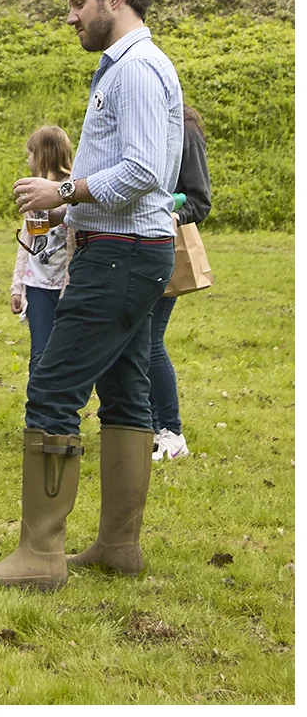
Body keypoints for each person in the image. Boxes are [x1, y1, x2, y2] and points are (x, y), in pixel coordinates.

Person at [0, 0, 182, 591]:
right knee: (126, 391)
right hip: (131, 249)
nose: (71, 17)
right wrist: (70, 210)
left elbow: (143, 171)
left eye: (78, 3)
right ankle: (119, 546)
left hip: (119, 255)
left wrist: (63, 191)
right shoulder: (133, 65)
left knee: (54, 387)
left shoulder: (135, 70)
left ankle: (40, 554)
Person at [151, 104, 211, 462]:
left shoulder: (186, 131)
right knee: (136, 341)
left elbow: (200, 200)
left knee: (150, 342)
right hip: (135, 247)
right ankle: (149, 428)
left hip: (163, 249)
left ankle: (171, 433)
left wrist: (174, 214)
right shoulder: (145, 123)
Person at [10, 126, 76, 372]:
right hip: (36, 286)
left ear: (43, 155)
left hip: (66, 286)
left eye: (30, 153)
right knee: (40, 351)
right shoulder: (33, 193)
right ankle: (37, 396)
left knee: (65, 350)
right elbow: (26, 242)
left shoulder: (74, 190)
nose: (28, 159)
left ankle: (60, 393)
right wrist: (18, 286)